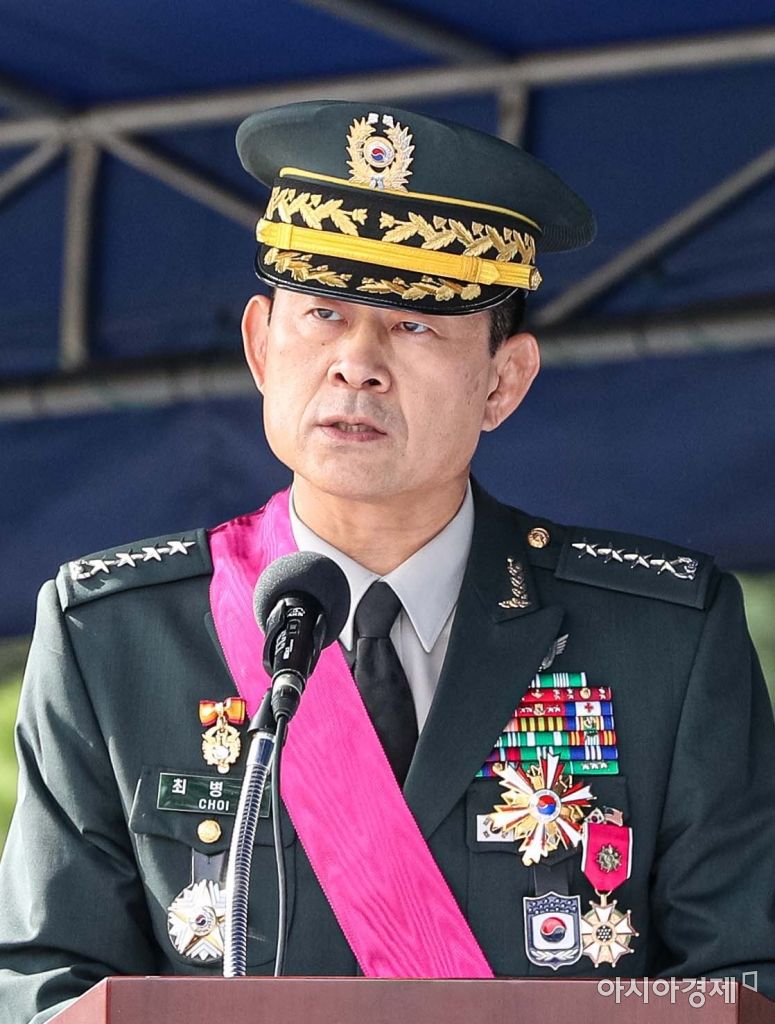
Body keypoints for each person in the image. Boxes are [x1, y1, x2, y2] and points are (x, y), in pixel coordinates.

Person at [1, 100, 773, 1022]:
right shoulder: (111, 637)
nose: (356, 364)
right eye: (323, 314)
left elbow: (742, 975)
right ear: (260, 346)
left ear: (503, 381)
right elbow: (45, 984)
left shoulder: (662, 638)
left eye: (415, 326)